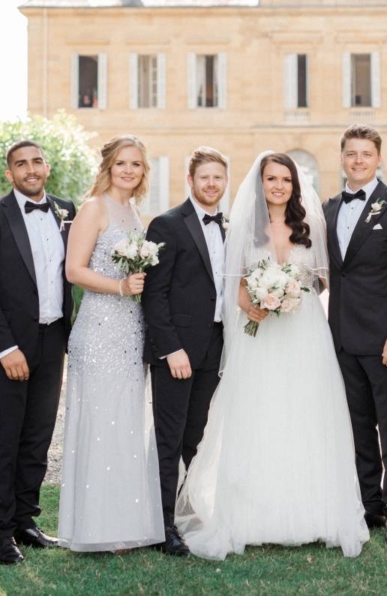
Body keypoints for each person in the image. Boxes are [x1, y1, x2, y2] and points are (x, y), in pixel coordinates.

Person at [174, 152, 369, 559]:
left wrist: (292, 292)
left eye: (286, 179)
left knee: (306, 413)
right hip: (259, 334)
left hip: (304, 331)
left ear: (295, 185)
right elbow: (235, 286)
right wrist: (253, 302)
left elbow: (324, 280)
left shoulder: (311, 225)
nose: (278, 186)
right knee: (259, 414)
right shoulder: (243, 227)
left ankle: (314, 512)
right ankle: (253, 515)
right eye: (271, 179)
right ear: (260, 184)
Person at [0, 140, 77, 565]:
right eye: (20, 164)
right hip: (9, 345)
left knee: (37, 438)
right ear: (9, 174)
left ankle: (25, 521)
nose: (30, 170)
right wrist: (5, 347)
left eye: (36, 162)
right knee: (4, 439)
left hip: (53, 340)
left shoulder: (66, 209)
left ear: (46, 167)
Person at [57, 135, 164, 552]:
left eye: (136, 164)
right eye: (122, 163)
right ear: (108, 166)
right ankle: (98, 529)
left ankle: (125, 521)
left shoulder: (134, 212)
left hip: (130, 328)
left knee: (125, 422)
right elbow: (74, 271)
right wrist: (120, 287)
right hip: (100, 328)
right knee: (102, 423)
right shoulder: (94, 207)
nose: (129, 170)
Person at [324, 124, 387, 547]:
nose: (358, 160)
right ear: (342, 157)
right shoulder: (327, 209)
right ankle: (370, 508)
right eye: (351, 153)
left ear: (379, 158)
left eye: (366, 153)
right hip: (341, 340)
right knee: (358, 431)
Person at [142, 147, 229, 557]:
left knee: (196, 438)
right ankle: (161, 527)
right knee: (169, 440)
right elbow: (155, 296)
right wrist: (171, 349)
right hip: (177, 350)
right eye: (205, 177)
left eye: (218, 178)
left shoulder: (229, 226)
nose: (211, 184)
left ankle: (186, 514)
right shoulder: (167, 225)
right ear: (190, 181)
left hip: (215, 348)